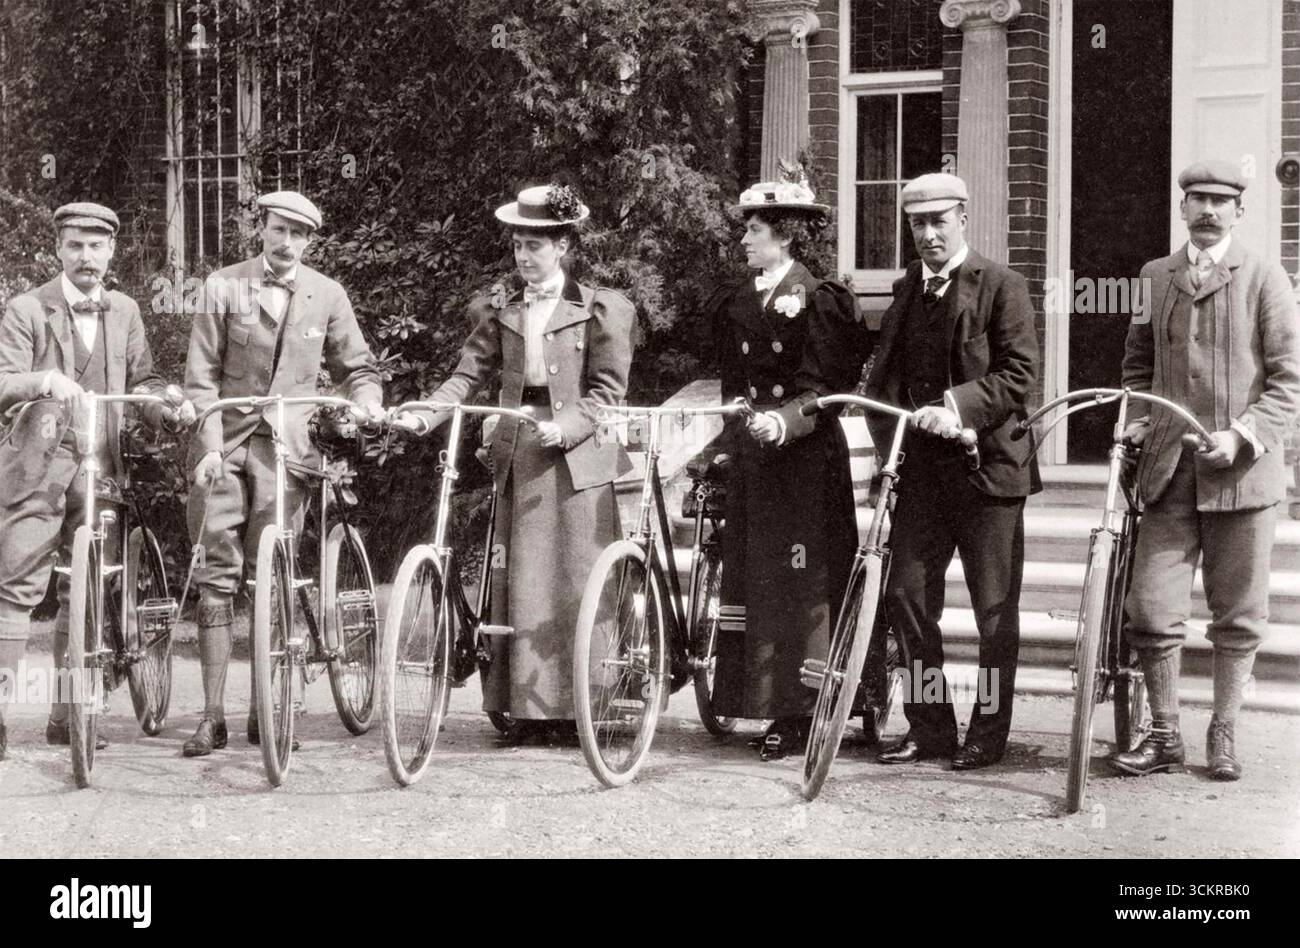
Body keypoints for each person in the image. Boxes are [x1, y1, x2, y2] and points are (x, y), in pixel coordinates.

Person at [410, 184, 634, 745]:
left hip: (578, 460)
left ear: (563, 246)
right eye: (517, 247)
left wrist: (572, 425)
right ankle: (524, 709)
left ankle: (583, 708)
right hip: (521, 453)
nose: (524, 259)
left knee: (576, 580)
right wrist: (429, 414)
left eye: (535, 246)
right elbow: (467, 376)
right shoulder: (503, 310)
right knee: (521, 580)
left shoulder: (602, 308)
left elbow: (608, 390)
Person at [1111, 160, 1300, 781]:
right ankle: (1165, 734)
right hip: (1168, 473)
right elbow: (1137, 369)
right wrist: (1139, 419)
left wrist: (1242, 435)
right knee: (1150, 608)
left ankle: (1224, 731)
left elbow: (1287, 382)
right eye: (1197, 199)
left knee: (1238, 613)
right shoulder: (1155, 276)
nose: (1209, 211)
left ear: (1239, 211)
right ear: (1183, 208)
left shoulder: (1266, 277)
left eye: (1221, 201)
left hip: (1243, 477)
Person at [847, 173, 1040, 770]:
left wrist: (956, 410)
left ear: (963, 219)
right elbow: (884, 380)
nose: (928, 234)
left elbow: (1019, 375)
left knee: (993, 612)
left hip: (988, 474)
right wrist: (890, 448)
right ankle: (930, 728)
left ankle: (988, 733)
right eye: (917, 224)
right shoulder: (908, 289)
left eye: (939, 222)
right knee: (906, 599)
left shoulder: (1002, 284)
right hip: (923, 478)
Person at [181, 191, 383, 757]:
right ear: (262, 229)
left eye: (298, 233)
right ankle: (212, 716)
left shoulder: (328, 294)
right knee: (216, 573)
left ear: (310, 240)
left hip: (288, 450)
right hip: (225, 443)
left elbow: (357, 366)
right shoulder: (223, 285)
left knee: (273, 573)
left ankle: (263, 713)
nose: (286, 241)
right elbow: (201, 378)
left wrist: (365, 399)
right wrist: (207, 449)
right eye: (277, 229)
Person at [0, 202, 193, 761]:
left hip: (101, 467)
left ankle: (68, 716)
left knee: (86, 590)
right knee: (16, 587)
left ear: (112, 251)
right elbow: (4, 380)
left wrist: (166, 406)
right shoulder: (26, 309)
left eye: (97, 246)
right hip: (35, 468)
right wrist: (46, 379)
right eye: (76, 246)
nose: (87, 257)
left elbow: (145, 378)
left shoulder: (125, 310)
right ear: (58, 249)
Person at [706, 172, 860, 761]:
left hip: (804, 460)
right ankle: (758, 699)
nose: (745, 239)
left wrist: (786, 420)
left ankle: (802, 712)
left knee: (802, 585)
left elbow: (827, 387)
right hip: (754, 458)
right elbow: (732, 384)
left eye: (755, 229)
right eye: (746, 228)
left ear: (787, 237)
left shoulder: (820, 299)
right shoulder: (738, 300)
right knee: (755, 578)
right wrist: (727, 438)